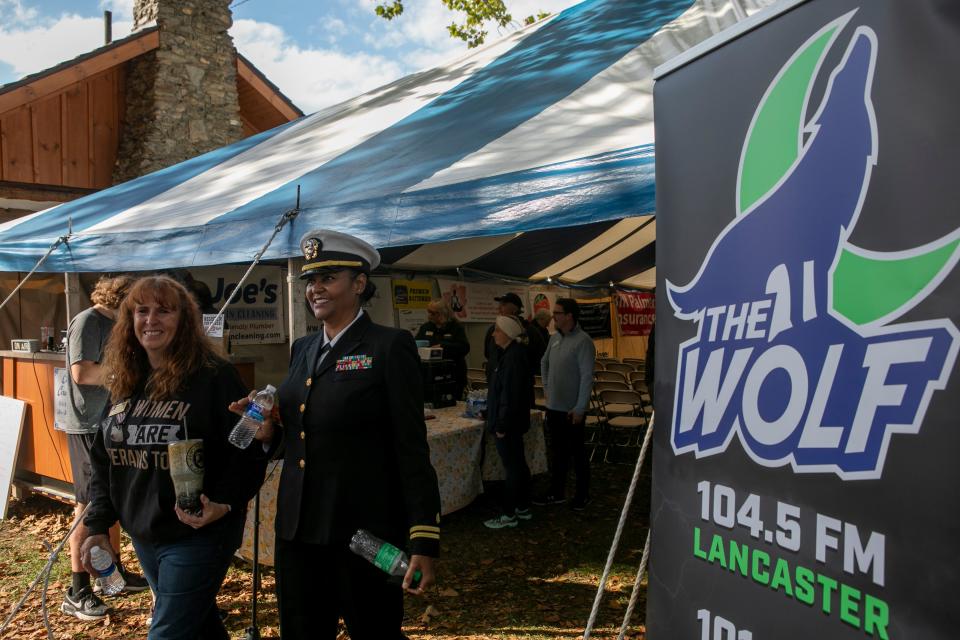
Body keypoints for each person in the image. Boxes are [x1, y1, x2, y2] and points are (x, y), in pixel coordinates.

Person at [240, 229, 441, 640]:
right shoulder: (303, 348)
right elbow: (301, 434)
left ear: (360, 283)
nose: (315, 289)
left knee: (375, 632)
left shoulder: (390, 346)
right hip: (298, 531)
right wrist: (268, 432)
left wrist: (424, 540)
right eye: (311, 281)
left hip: (363, 533)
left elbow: (410, 447)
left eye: (328, 278)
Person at [81, 276, 268, 640]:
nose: (151, 320)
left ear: (184, 321)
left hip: (198, 533)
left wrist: (225, 503)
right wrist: (98, 526)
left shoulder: (215, 377)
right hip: (145, 532)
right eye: (142, 311)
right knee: (197, 625)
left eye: (164, 311)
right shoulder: (127, 380)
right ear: (129, 320)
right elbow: (104, 460)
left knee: (167, 632)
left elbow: (247, 448)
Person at [58, 275, 148, 621]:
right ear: (121, 298)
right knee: (88, 505)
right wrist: (130, 370)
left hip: (110, 422)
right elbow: (82, 373)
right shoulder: (88, 321)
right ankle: (76, 590)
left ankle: (113, 573)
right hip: (86, 425)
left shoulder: (113, 324)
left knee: (109, 501)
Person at [534, 298, 596, 511]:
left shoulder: (583, 341)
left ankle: (582, 495)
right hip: (555, 408)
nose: (554, 317)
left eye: (558, 313)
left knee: (577, 454)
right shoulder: (555, 338)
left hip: (572, 411)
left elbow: (587, 377)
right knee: (558, 453)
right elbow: (544, 362)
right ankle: (556, 492)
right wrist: (548, 389)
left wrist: (580, 407)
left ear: (569, 315)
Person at [483, 315, 533, 529]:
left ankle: (509, 513)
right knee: (518, 465)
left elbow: (509, 396)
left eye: (497, 330)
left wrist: (501, 424)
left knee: (512, 468)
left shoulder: (512, 358)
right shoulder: (511, 354)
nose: (493, 334)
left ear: (507, 333)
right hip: (511, 421)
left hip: (509, 424)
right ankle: (522, 507)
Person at [416, 299, 470, 400]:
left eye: (432, 313)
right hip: (430, 376)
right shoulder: (426, 327)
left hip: (453, 375)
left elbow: (464, 347)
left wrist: (443, 346)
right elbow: (416, 344)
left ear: (441, 313)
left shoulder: (455, 327)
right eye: (428, 312)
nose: (429, 316)